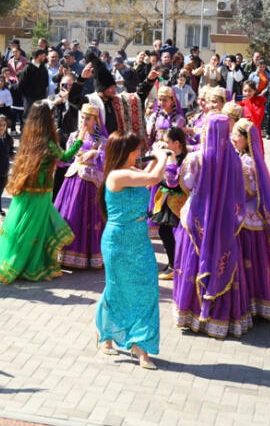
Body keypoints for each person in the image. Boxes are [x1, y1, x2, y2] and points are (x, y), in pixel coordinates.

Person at [0, 101, 83, 284]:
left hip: (26, 189)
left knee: (21, 226)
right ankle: (29, 265)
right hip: (41, 192)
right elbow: (65, 157)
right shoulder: (48, 142)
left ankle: (14, 261)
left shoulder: (29, 138)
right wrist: (79, 140)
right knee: (34, 229)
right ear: (47, 119)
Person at [173, 114, 253, 339]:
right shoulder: (235, 159)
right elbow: (240, 191)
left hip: (198, 219)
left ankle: (192, 315)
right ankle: (221, 319)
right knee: (223, 261)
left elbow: (187, 185)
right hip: (226, 221)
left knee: (193, 263)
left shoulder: (197, 158)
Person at [95, 131, 169, 369]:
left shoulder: (133, 171)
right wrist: (161, 157)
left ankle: (140, 345)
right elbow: (153, 178)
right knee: (117, 289)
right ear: (125, 151)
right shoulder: (117, 175)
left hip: (139, 238)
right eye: (137, 149)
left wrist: (159, 158)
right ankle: (106, 334)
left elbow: (149, 175)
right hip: (118, 240)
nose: (140, 153)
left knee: (148, 289)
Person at [231, 118, 270, 321]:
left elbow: (246, 192)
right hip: (252, 220)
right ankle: (259, 304)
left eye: (236, 135)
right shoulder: (246, 158)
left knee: (247, 265)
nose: (233, 138)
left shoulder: (245, 163)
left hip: (248, 222)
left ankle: (249, 305)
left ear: (246, 139)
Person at [55, 103, 107, 269]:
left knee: (88, 217)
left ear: (96, 120)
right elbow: (69, 155)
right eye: (83, 117)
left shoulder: (101, 140)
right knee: (69, 213)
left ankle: (88, 256)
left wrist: (95, 153)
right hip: (73, 179)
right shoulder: (74, 135)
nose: (84, 120)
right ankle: (65, 254)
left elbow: (105, 161)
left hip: (90, 182)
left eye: (88, 118)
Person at [147, 127, 188, 280]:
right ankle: (173, 262)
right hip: (166, 199)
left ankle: (175, 265)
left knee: (172, 233)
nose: (164, 145)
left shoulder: (183, 159)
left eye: (167, 142)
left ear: (177, 143)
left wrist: (168, 160)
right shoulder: (172, 156)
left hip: (177, 202)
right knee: (165, 232)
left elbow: (172, 182)